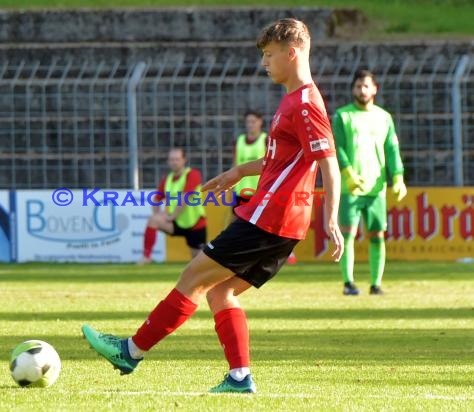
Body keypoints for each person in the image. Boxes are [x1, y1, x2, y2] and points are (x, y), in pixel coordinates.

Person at [82, 18, 343, 394]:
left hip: (270, 215)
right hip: (282, 222)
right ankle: (240, 378)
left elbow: (328, 162)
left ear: (293, 52)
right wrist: (238, 171)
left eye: (269, 55)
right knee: (221, 292)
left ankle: (131, 351)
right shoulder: (292, 100)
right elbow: (282, 159)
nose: (264, 63)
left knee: (192, 278)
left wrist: (331, 218)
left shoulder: (305, 102)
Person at [332, 69, 406, 296]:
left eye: (366, 86)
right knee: (347, 235)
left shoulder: (384, 117)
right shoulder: (342, 116)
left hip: (376, 187)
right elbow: (339, 147)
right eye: (358, 86)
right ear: (353, 89)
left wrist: (398, 175)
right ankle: (348, 283)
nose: (362, 90)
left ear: (374, 89)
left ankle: (375, 284)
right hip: (350, 188)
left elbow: (392, 148)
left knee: (377, 236)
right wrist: (347, 174)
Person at [232, 109, 297, 264]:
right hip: (241, 190)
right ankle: (244, 253)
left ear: (260, 122)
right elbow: (235, 164)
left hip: (261, 190)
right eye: (248, 122)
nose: (250, 125)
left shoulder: (265, 140)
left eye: (253, 121)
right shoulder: (240, 140)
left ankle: (285, 250)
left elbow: (271, 164)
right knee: (240, 224)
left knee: (267, 222)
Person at [138, 147, 207, 264]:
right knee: (153, 220)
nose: (174, 162)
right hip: (176, 222)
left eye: (177, 159)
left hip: (195, 224)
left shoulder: (193, 174)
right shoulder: (167, 179)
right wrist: (159, 214)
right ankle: (146, 257)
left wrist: (171, 216)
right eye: (171, 159)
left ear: (184, 160)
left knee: (198, 264)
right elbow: (156, 199)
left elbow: (185, 198)